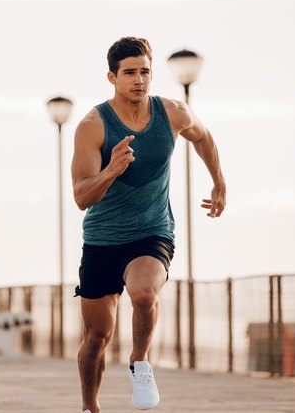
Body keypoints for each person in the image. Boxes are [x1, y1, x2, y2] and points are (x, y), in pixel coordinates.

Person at [71, 37, 226, 412]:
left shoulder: (172, 112)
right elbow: (81, 197)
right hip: (103, 238)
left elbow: (202, 136)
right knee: (96, 336)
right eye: (129, 73)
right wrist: (111, 169)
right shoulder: (93, 125)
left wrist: (218, 180)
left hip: (152, 231)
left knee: (143, 293)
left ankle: (140, 363)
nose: (138, 80)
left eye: (144, 71)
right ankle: (90, 406)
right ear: (112, 77)